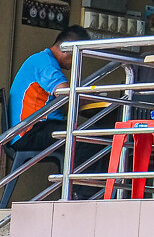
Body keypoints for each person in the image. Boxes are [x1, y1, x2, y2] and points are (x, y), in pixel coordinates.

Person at [4, 25, 90, 206]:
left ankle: (75, 195)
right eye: (78, 55)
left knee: (83, 134)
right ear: (69, 49)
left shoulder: (42, 59)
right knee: (87, 138)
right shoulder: (45, 63)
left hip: (36, 128)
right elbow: (66, 92)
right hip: (28, 131)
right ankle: (83, 198)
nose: (76, 63)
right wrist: (90, 99)